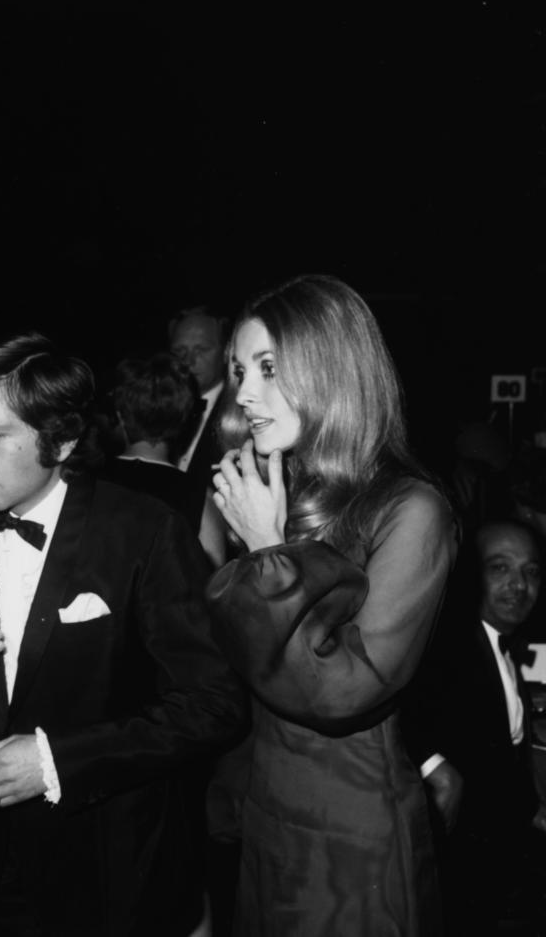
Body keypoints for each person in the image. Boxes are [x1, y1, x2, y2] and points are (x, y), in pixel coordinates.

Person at [0, 332, 248, 937]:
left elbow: (214, 704)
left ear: (61, 440)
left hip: (110, 867)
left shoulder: (145, 531)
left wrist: (59, 761)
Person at [204, 274, 458, 935]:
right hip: (267, 815)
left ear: (331, 370)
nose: (244, 392)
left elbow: (344, 690)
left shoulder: (412, 509)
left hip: (353, 833)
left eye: (268, 369)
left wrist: (265, 549)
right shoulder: (274, 489)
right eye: (238, 370)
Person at [404, 519, 546, 933]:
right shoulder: (447, 644)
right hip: (456, 862)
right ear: (472, 575)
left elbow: (502, 755)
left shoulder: (506, 645)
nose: (519, 586)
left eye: (531, 572)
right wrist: (435, 767)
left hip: (500, 851)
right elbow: (392, 706)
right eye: (500, 568)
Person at [100, 352, 227, 566]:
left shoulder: (81, 482)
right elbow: (216, 588)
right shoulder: (199, 500)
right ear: (186, 422)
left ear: (121, 416)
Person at [168, 306, 230, 494]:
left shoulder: (239, 412)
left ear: (226, 351)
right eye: (179, 351)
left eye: (201, 349)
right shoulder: (160, 405)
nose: (188, 361)